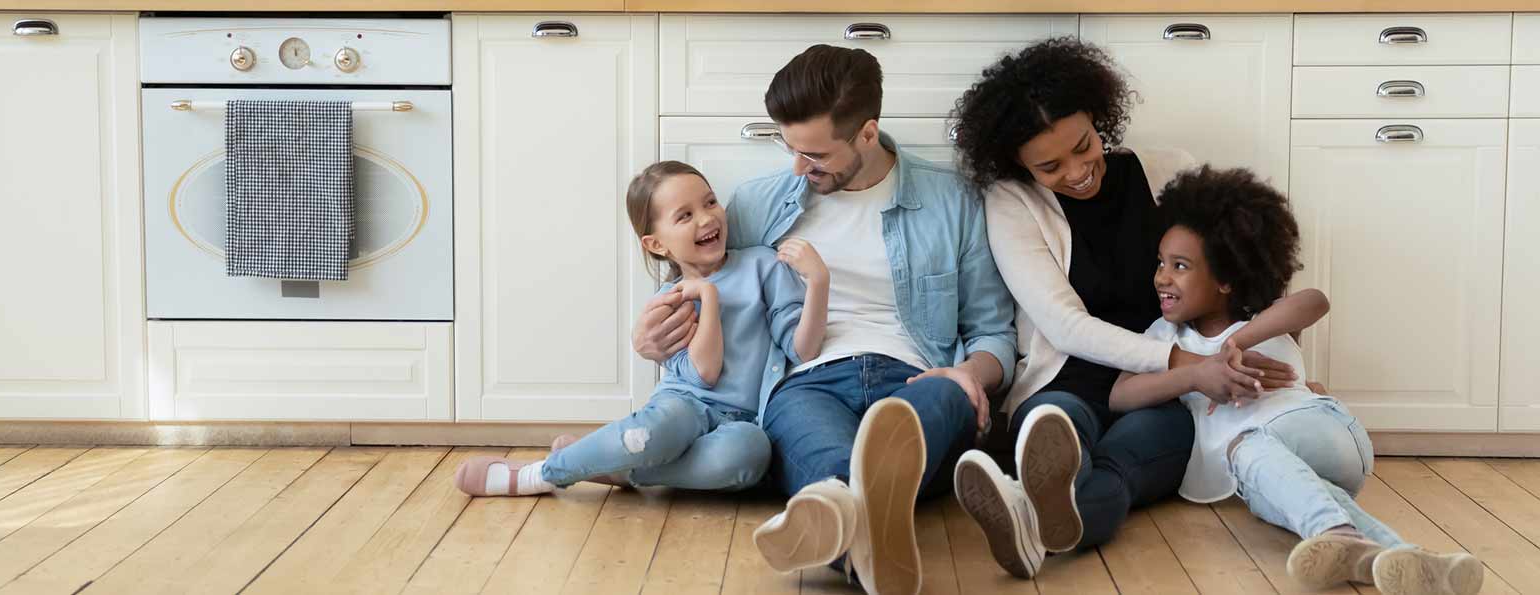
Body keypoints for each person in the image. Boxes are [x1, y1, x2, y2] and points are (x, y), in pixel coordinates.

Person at [633, 45, 1018, 595]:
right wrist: (648, 336)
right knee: (828, 463)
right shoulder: (759, 205)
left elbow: (992, 332)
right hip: (804, 382)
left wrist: (970, 376)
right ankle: (870, 526)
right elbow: (692, 282)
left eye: (814, 154)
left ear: (866, 134)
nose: (797, 167)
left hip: (916, 379)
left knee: (937, 402)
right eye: (789, 148)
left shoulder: (951, 200)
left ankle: (847, 533)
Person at [945, 37, 1302, 578]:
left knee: (1120, 469)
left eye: (1084, 146)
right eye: (1049, 166)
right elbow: (1064, 326)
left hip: (1164, 391)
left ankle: (1028, 518)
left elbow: (1239, 275)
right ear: (1017, 163)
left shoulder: (1167, 170)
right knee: (1052, 428)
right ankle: (1044, 504)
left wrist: (1298, 377)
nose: (1076, 171)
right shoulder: (1011, 201)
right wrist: (1192, 367)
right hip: (1068, 379)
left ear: (1098, 116)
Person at [1109, 166, 1482, 595]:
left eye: (1180, 265)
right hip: (1267, 478)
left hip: (1319, 430)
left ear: (1227, 279)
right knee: (1298, 496)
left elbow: (1314, 301)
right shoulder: (1165, 337)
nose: (1161, 276)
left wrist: (1236, 344)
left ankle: (1336, 534)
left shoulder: (1261, 319)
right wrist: (1195, 373)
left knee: (1245, 447)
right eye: (1161, 262)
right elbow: (1121, 395)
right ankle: (1419, 565)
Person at [453, 160, 828, 497]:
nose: (707, 218)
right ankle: (540, 474)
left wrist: (818, 283)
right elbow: (705, 374)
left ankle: (614, 469)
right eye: (685, 215)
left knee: (751, 454)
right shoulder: (668, 301)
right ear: (656, 244)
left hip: (745, 420)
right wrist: (709, 298)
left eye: (710, 202)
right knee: (651, 434)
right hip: (684, 405)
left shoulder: (763, 265)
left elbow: (802, 350)